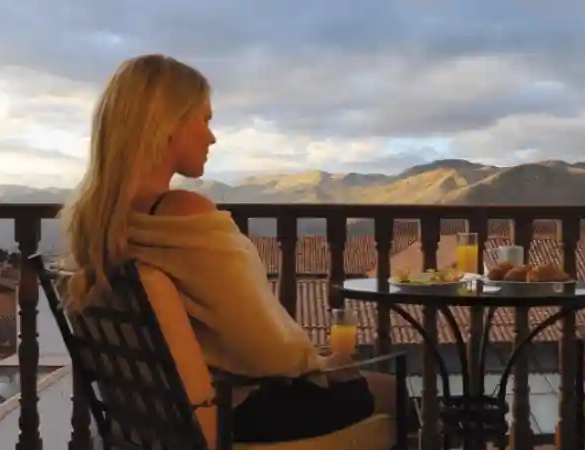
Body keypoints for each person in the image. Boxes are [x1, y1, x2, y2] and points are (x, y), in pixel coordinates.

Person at [58, 54, 397, 443]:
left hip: (158, 423)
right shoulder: (185, 216)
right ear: (167, 125)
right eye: (204, 119)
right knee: (392, 390)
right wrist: (319, 362)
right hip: (231, 415)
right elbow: (266, 350)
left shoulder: (101, 225)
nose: (211, 136)